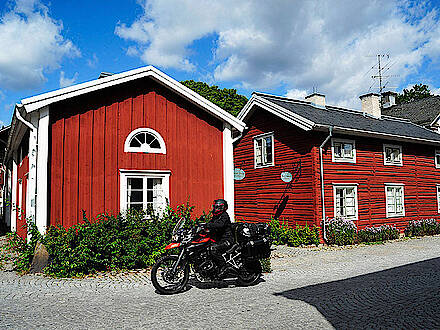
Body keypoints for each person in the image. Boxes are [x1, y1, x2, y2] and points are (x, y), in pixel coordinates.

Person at [205, 199, 233, 278]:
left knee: (213, 249)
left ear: (223, 208)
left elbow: (219, 225)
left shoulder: (224, 216)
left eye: (217, 207)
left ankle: (224, 267)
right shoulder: (216, 216)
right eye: (215, 207)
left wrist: (207, 225)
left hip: (227, 240)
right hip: (219, 239)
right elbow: (211, 223)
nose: (215, 208)